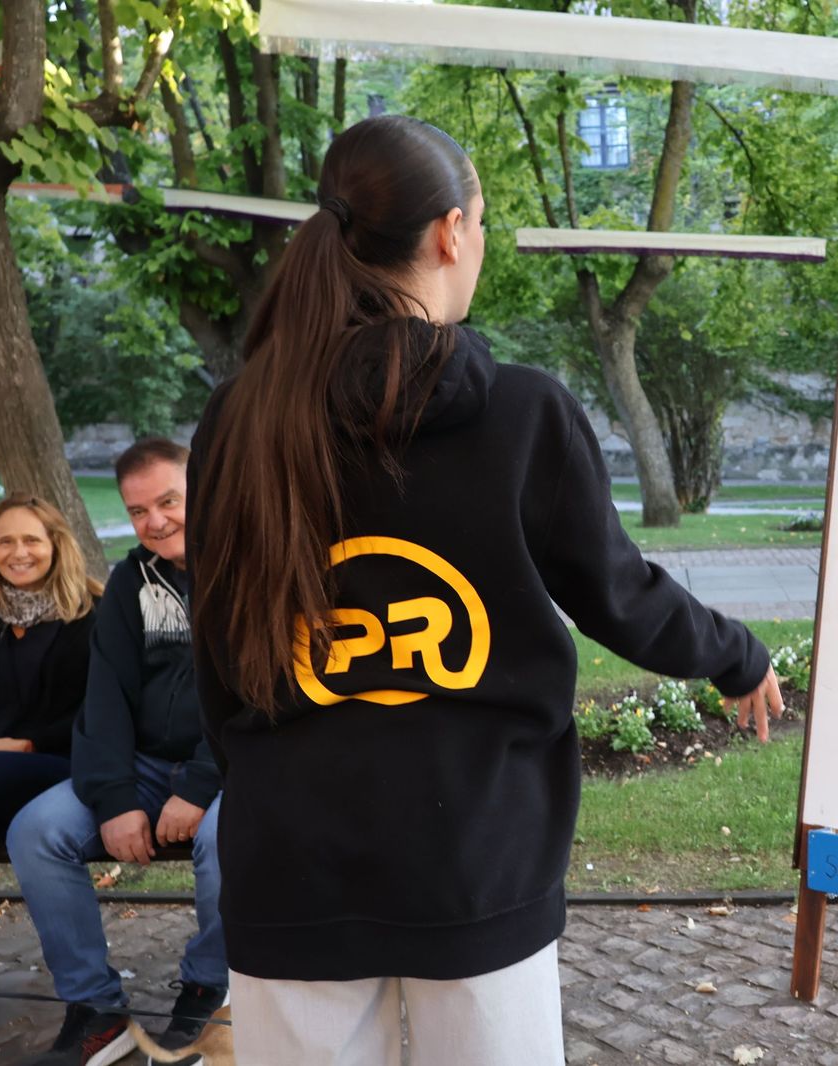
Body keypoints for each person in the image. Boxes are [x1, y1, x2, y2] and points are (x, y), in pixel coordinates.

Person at [185, 114, 784, 1065]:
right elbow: (619, 595)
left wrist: (263, 774)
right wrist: (735, 656)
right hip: (475, 857)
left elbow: (215, 639)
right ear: (450, 233)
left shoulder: (239, 415)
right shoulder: (522, 413)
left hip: (291, 858)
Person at [7, 439, 228, 1066]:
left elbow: (260, 693)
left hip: (232, 768)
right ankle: (96, 1007)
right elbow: (102, 697)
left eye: (168, 501)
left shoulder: (248, 565)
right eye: (138, 511)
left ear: (203, 489)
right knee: (37, 831)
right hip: (143, 767)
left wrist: (202, 785)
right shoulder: (132, 579)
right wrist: (115, 798)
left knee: (225, 841)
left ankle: (210, 987)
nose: (155, 522)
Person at [0, 495, 101, 844]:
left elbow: (100, 710)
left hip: (65, 766)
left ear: (56, 546)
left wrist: (29, 744)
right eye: (6, 542)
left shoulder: (92, 616)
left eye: (31, 540)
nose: (18, 553)